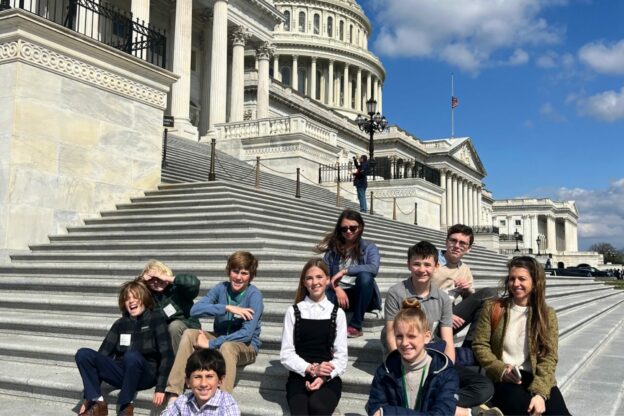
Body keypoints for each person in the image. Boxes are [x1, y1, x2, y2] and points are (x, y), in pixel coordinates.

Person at [383, 241, 501, 416]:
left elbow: (447, 338)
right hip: (404, 357)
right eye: (416, 264)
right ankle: (467, 412)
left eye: (427, 265)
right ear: (409, 265)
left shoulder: (442, 298)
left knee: (484, 386)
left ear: (436, 266)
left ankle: (429, 402)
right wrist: (402, 364)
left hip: (432, 356)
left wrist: (448, 369)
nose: (422, 269)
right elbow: (391, 334)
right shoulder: (397, 292)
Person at [472, 256, 571, 416]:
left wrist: (540, 393)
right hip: (503, 378)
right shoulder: (493, 308)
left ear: (535, 282)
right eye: (512, 279)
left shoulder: (547, 314)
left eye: (522, 279)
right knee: (527, 411)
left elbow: (549, 356)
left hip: (535, 376)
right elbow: (480, 345)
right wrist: (501, 369)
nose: (515, 284)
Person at [165, 251, 263, 400]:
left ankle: (223, 401)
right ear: (229, 271)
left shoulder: (254, 295)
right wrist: (226, 308)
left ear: (251, 276)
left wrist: (211, 343)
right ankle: (174, 393)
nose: (238, 277)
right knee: (189, 334)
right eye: (235, 271)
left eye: (244, 273)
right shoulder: (221, 288)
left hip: (246, 346)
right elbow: (195, 310)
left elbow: (247, 334)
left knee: (228, 346)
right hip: (221, 337)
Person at [75, 281, 174, 416]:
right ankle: (98, 403)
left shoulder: (156, 318)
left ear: (144, 299)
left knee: (131, 356)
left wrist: (161, 387)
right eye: (127, 299)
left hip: (146, 374)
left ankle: (125, 407)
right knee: (83, 354)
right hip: (122, 372)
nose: (131, 302)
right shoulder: (120, 324)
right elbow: (102, 355)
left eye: (135, 297)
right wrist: (88, 397)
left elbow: (167, 355)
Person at [367, 298, 459, 415]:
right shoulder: (385, 371)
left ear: (427, 337)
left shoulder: (445, 373)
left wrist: (389, 413)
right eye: (399, 336)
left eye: (411, 336)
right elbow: (374, 409)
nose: (404, 343)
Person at [280, 258, 348, 415]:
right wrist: (311, 369)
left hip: (327, 377)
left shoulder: (338, 314)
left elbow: (341, 357)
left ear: (328, 280)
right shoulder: (293, 311)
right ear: (304, 282)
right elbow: (286, 354)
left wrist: (323, 376)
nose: (314, 282)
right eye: (309, 278)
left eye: (319, 277)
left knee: (318, 407)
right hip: (300, 375)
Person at [316, 208, 381, 338]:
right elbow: (326, 277)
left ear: (361, 227)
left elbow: (373, 268)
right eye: (344, 229)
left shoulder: (369, 248)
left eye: (353, 228)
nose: (348, 231)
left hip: (362, 295)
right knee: (319, 291)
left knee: (365, 277)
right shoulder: (333, 251)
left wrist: (346, 271)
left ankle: (356, 326)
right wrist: (337, 288)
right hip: (340, 295)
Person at [432, 224, 498, 348]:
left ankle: (471, 346)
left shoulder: (465, 269)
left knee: (489, 295)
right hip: (426, 316)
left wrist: (466, 291)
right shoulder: (430, 262)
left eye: (462, 243)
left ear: (468, 249)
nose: (457, 246)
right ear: (446, 242)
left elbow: (472, 304)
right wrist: (444, 314)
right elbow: (416, 295)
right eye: (453, 240)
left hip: (450, 316)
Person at [137, 259, 201, 353]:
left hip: (188, 329)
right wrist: (141, 280)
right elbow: (131, 293)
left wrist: (167, 278)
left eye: (158, 277)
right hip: (164, 334)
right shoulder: (149, 296)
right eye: (151, 280)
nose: (155, 282)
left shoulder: (177, 289)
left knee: (174, 326)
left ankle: (178, 365)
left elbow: (193, 283)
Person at [161, 349, 240, 416]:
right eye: (197, 377)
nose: (203, 384)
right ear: (188, 382)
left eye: (209, 376)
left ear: (220, 380)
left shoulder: (227, 404)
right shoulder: (183, 401)